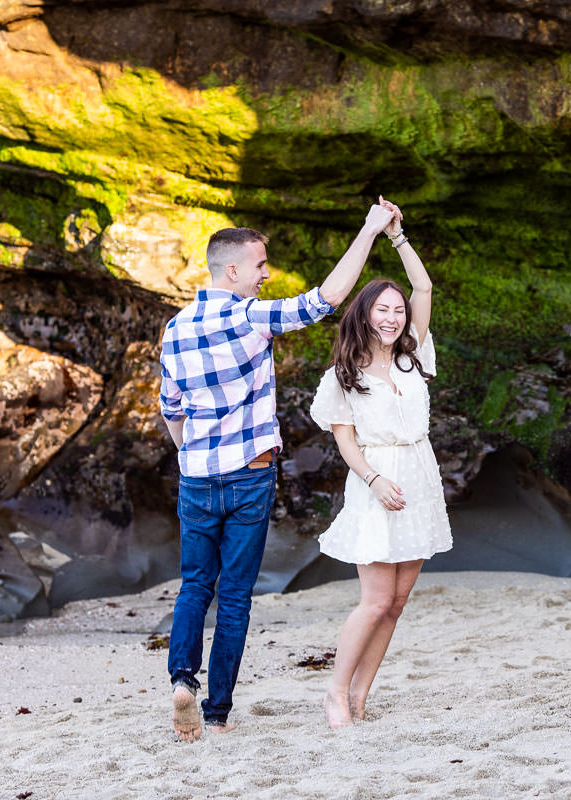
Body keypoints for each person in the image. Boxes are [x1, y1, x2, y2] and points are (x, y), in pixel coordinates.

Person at [159, 199, 397, 742]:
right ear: (233, 270)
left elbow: (171, 408)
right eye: (261, 265)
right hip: (249, 474)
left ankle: (182, 681)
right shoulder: (248, 315)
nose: (267, 275)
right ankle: (217, 713)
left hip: (196, 475)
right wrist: (369, 229)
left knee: (195, 584)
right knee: (236, 595)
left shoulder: (175, 327)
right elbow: (329, 298)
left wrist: (188, 456)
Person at [308, 200, 453, 728]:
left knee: (397, 602)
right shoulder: (343, 373)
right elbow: (345, 442)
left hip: (419, 475)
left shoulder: (416, 354)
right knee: (373, 601)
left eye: (397, 310)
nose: (392, 318)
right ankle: (334, 692)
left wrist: (398, 237)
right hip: (376, 481)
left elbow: (426, 290)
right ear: (364, 314)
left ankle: (362, 693)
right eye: (382, 310)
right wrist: (373, 480)